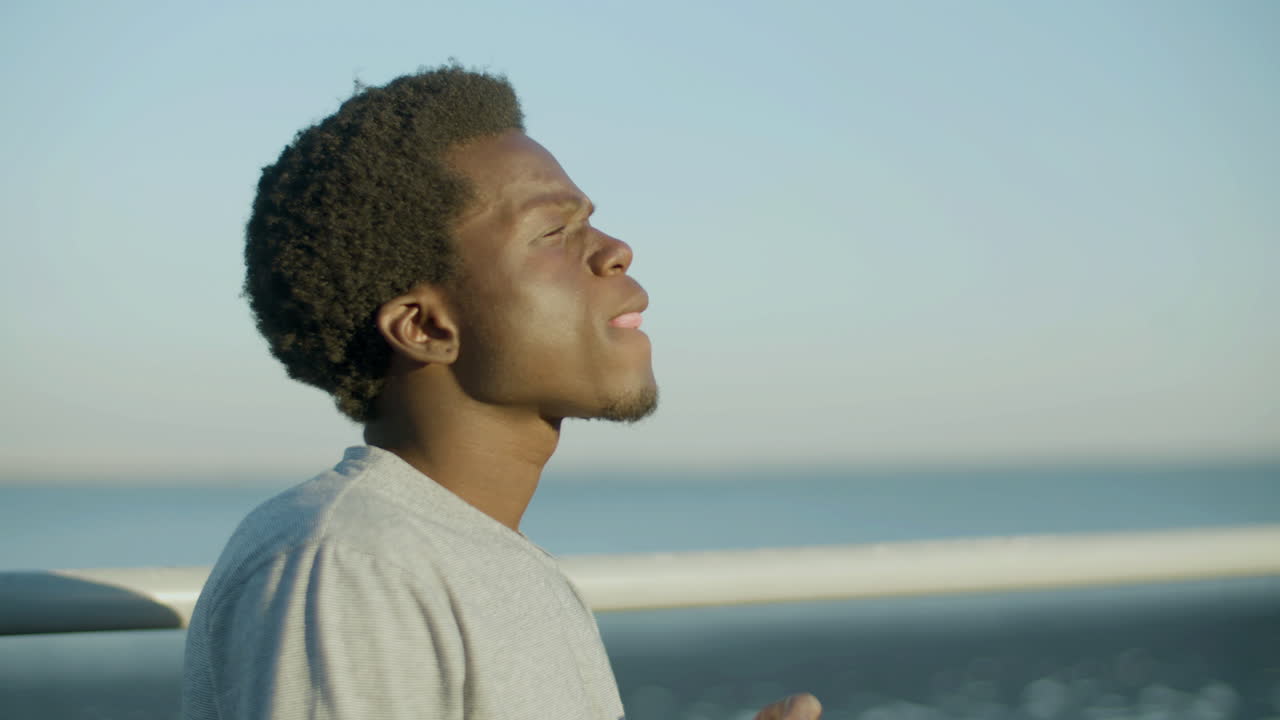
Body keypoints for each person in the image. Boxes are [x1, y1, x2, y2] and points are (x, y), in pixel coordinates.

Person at [181, 64, 821, 720]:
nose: (616, 251)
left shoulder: (489, 560)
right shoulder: (349, 567)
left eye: (592, 224)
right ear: (426, 327)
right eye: (553, 234)